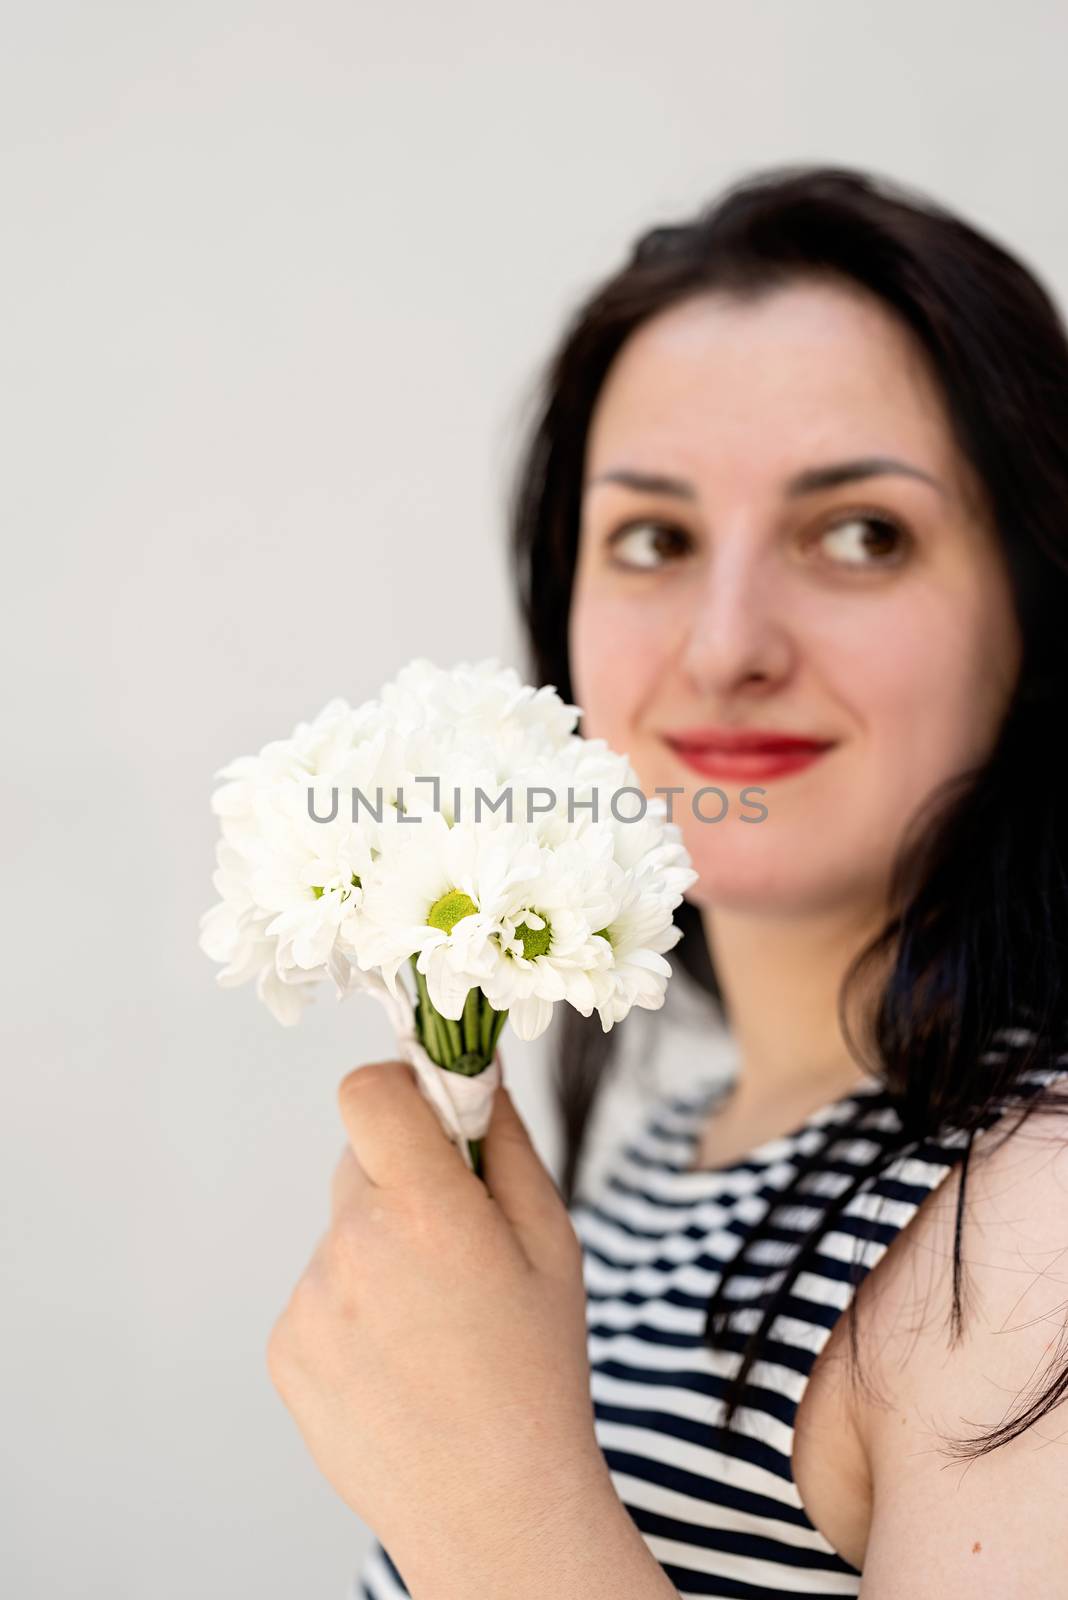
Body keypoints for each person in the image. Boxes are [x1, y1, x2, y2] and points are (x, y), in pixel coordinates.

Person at [273, 164, 1068, 1597]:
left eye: (861, 534)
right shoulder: (673, 1137)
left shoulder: (1030, 1220)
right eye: (654, 537)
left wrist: (495, 1507)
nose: (724, 645)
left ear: (1037, 602)